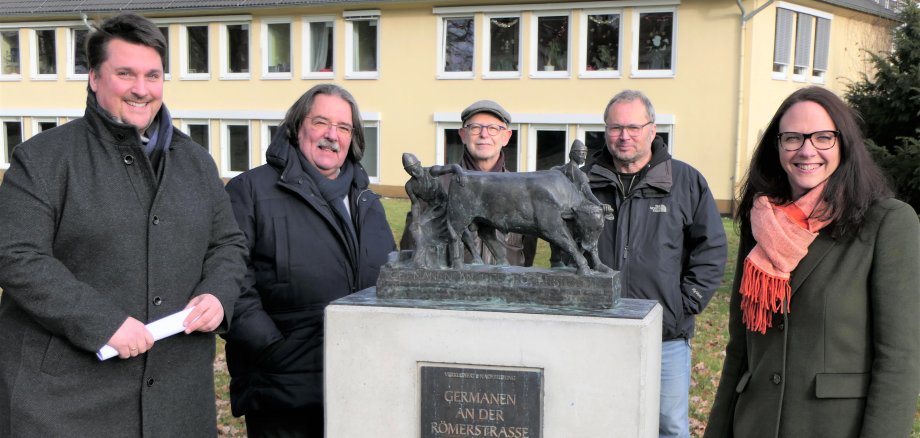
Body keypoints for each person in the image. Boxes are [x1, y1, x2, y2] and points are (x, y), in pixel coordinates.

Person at [0, 13, 247, 436]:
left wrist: (218, 295)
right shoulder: (43, 159)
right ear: (95, 78)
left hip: (176, 398)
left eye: (153, 75)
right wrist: (101, 322)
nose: (141, 88)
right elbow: (17, 256)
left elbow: (229, 245)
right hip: (63, 402)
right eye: (125, 73)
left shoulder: (196, 163)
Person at [705, 87, 920, 437]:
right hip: (754, 425)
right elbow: (740, 347)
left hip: (834, 428)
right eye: (793, 138)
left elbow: (899, 360)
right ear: (777, 147)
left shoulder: (886, 223)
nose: (807, 150)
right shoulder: (760, 222)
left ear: (844, 144)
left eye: (823, 138)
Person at [223, 84, 396, 437]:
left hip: (359, 384)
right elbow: (230, 282)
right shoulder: (250, 191)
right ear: (296, 126)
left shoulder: (368, 202)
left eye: (344, 128)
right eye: (321, 122)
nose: (332, 135)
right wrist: (272, 350)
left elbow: (391, 279)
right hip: (283, 389)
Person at [583, 89, 728, 438]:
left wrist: (683, 305)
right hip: (597, 329)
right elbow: (564, 248)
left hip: (665, 336)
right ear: (605, 131)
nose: (624, 136)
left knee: (669, 426)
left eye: (633, 127)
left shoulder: (685, 181)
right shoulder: (583, 183)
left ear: (652, 129)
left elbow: (711, 249)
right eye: (615, 127)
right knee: (597, 421)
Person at [400, 99, 537, 267]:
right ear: (463, 135)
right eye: (475, 127)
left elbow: (528, 259)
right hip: (451, 291)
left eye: (493, 128)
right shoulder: (435, 188)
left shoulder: (521, 190)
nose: (484, 134)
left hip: (506, 290)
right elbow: (413, 248)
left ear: (506, 137)